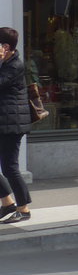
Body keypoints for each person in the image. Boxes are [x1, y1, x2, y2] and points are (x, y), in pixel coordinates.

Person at [0, 26, 33, 223]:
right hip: (4, 122)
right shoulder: (6, 63)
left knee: (10, 168)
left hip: (12, 124)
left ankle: (24, 208)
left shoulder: (15, 66)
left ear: (5, 46)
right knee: (7, 167)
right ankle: (7, 203)